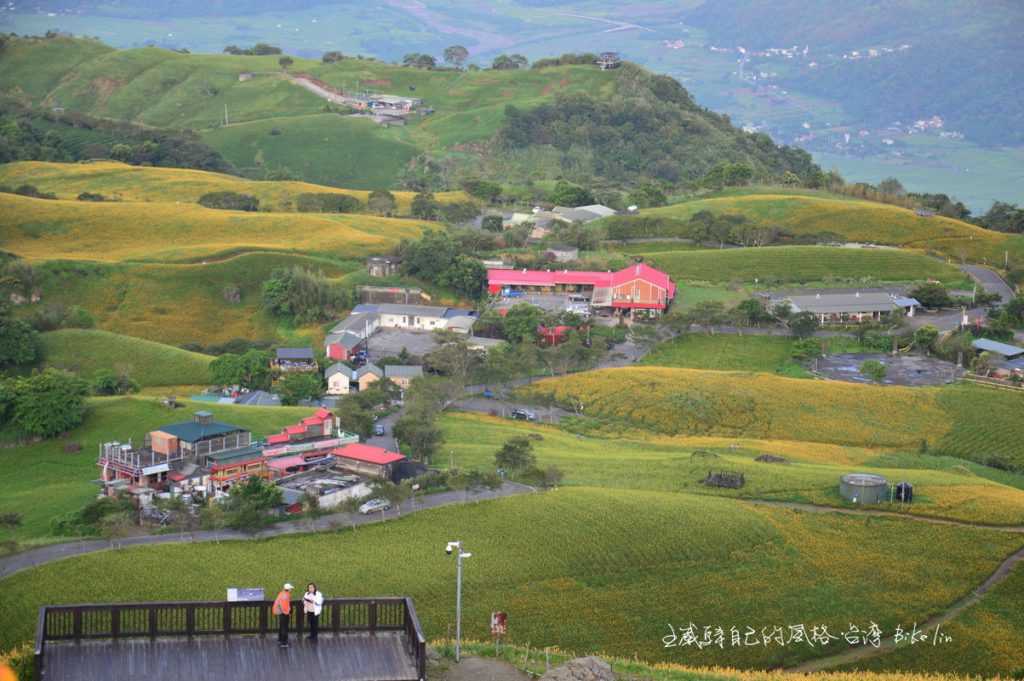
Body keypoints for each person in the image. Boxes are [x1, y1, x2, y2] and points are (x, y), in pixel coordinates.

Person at [272, 583, 294, 647]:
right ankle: (284, 643)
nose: (291, 590)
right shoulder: (286, 595)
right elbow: (285, 606)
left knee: (281, 626)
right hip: (283, 613)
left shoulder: (282, 593)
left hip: (280, 612)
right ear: (288, 589)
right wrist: (288, 612)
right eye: (290, 589)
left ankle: (280, 639)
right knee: (284, 627)